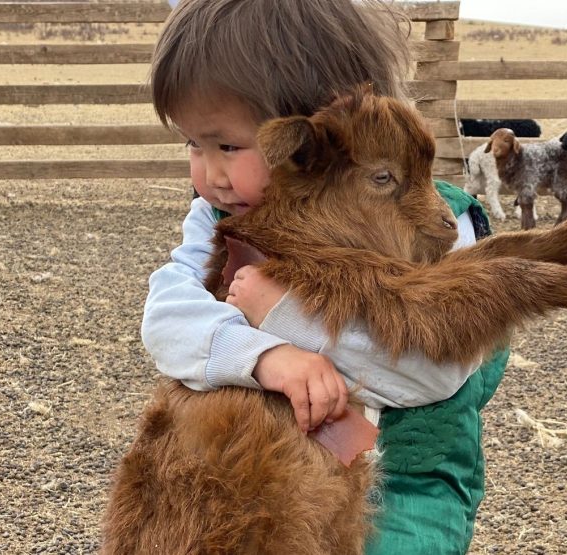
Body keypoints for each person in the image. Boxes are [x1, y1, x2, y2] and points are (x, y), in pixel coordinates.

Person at [141, 0, 509, 553]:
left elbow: (437, 376)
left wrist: (286, 319)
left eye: (228, 146)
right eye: (194, 144)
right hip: (278, 477)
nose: (208, 175)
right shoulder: (220, 217)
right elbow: (168, 317)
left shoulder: (437, 225)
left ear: (320, 140)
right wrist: (266, 357)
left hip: (404, 478)